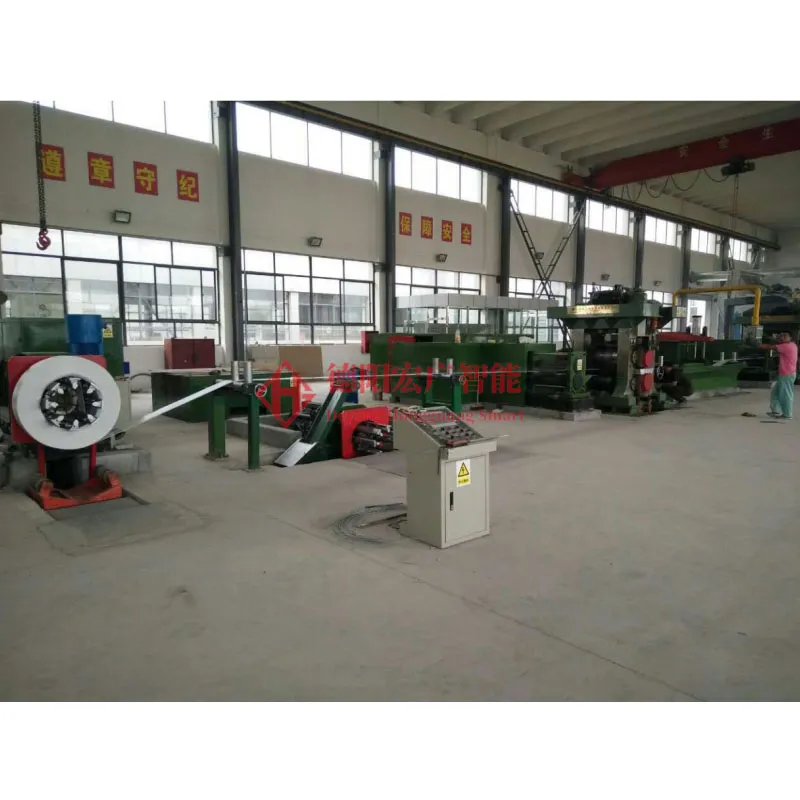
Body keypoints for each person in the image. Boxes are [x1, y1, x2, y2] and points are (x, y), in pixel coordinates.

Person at [761, 332, 798, 420]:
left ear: (790, 338)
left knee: (785, 394)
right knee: (775, 392)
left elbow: (770, 347)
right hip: (785, 373)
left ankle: (787, 414)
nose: (782, 337)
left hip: (787, 374)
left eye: (785, 336)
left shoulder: (787, 346)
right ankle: (776, 410)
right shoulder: (792, 345)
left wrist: (757, 345)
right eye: (782, 336)